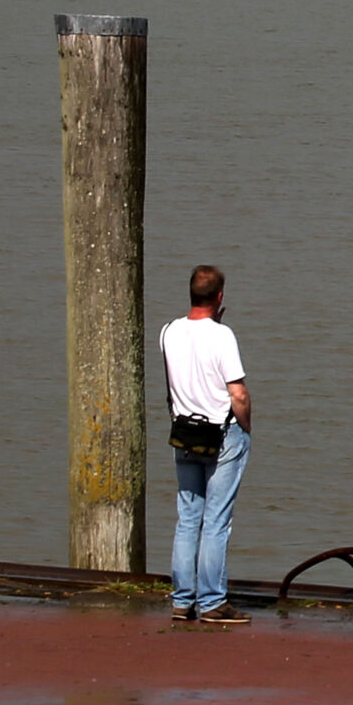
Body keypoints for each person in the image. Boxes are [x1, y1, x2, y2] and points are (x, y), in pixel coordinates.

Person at [160, 264, 252, 625]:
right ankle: (213, 602)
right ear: (219, 297)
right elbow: (238, 393)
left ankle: (182, 600)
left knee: (187, 518)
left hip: (184, 433)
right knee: (216, 521)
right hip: (221, 433)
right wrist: (245, 428)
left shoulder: (168, 331)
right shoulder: (222, 335)